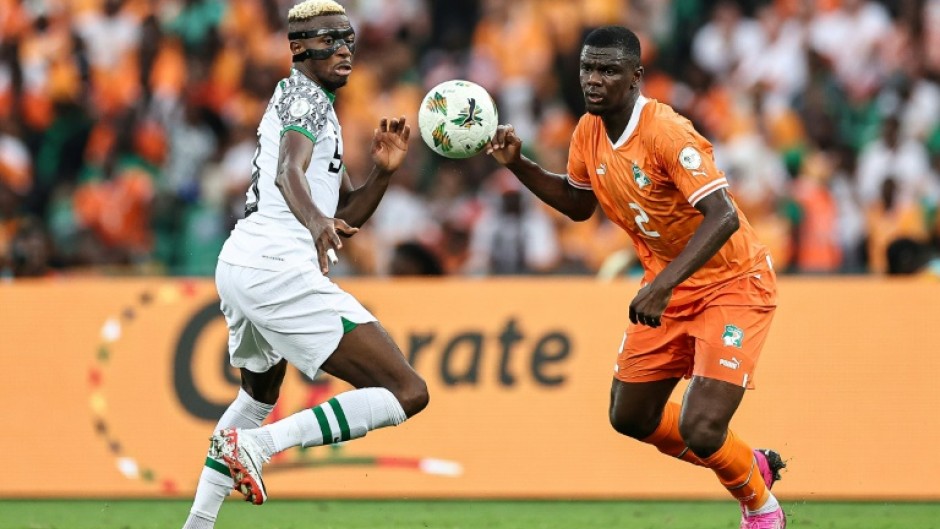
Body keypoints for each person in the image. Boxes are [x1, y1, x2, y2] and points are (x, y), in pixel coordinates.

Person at [487, 26, 786, 529]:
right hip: (669, 287)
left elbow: (723, 216)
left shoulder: (667, 132)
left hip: (733, 283)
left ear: (635, 77)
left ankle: (761, 508)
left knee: (702, 427)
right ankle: (748, 460)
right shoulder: (587, 130)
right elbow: (580, 204)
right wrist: (519, 165)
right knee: (630, 417)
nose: (593, 80)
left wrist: (663, 283)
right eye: (587, 69)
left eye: (607, 70)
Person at [180, 2, 428, 528]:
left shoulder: (309, 101)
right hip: (277, 266)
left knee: (257, 395)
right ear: (298, 48)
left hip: (243, 260)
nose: (344, 50)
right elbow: (288, 172)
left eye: (349, 39)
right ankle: (259, 448)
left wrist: (381, 176)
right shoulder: (305, 99)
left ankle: (197, 524)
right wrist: (315, 221)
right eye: (329, 39)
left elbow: (343, 218)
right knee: (407, 392)